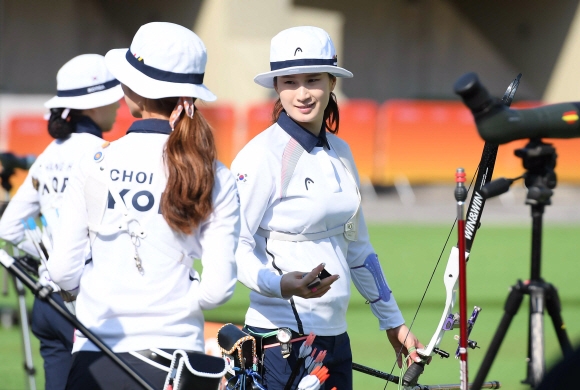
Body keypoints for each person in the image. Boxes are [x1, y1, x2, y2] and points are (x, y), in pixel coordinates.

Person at [46, 22, 240, 389]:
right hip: (178, 363)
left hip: (98, 354)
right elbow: (216, 292)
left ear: (132, 90)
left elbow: (61, 272)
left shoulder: (93, 163)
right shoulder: (216, 174)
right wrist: (177, 298)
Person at [231, 26, 425, 390]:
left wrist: (393, 322)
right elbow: (232, 246)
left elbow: (359, 248)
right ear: (276, 87)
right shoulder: (260, 157)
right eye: (289, 82)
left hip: (336, 339)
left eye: (313, 80)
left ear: (332, 82)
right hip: (280, 342)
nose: (302, 93)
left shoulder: (342, 152)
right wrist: (281, 284)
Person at [0, 53, 123, 390]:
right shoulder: (106, 152)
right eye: (114, 98)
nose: (119, 106)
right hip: (85, 303)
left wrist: (50, 257)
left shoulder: (48, 154)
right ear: (95, 106)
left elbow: (7, 228)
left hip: (46, 304)